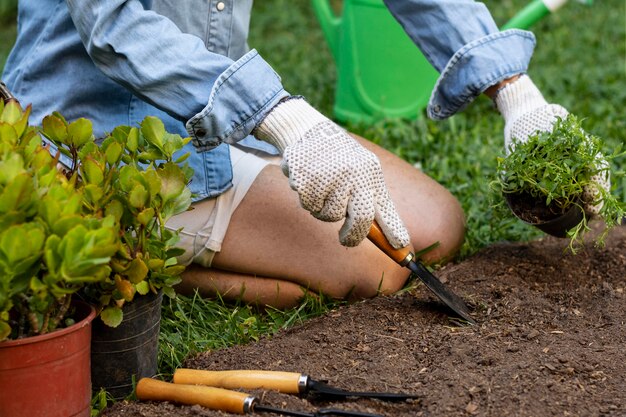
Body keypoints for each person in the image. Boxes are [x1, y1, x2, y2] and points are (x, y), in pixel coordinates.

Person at [1, 1, 604, 309]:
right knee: (376, 269)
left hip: (218, 116)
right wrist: (282, 117)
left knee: (436, 223)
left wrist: (514, 93)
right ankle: (140, 257)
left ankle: (157, 259)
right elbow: (114, 26)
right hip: (100, 136)